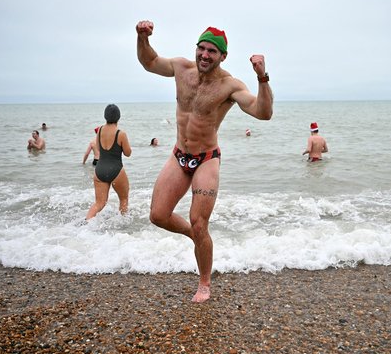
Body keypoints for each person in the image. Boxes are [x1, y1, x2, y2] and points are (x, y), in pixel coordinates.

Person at [136, 20, 274, 302]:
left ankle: (204, 283)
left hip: (207, 159)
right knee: (158, 216)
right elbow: (149, 62)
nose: (205, 55)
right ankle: (193, 235)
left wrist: (262, 77)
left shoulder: (229, 86)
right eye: (202, 49)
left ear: (223, 56)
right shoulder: (180, 68)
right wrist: (142, 37)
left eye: (212, 51)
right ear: (196, 49)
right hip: (179, 154)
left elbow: (263, 113)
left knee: (200, 222)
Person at [86, 104, 132, 220]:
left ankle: (86, 222)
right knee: (123, 199)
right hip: (116, 170)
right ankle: (123, 223)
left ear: (105, 116)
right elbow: (128, 153)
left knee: (99, 203)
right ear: (119, 117)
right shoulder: (120, 134)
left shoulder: (100, 130)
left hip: (100, 169)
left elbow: (98, 146)